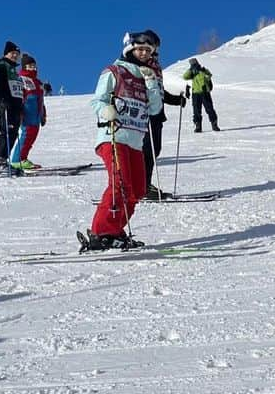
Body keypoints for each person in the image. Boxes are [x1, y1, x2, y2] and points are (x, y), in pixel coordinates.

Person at [82, 32, 164, 251]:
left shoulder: (148, 76)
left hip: (136, 141)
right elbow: (97, 100)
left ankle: (114, 230)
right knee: (120, 185)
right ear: (130, 49)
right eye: (140, 49)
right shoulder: (114, 71)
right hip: (113, 137)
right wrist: (105, 110)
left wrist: (151, 83)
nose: (145, 54)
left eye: (148, 51)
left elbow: (155, 109)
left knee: (137, 189)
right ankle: (100, 232)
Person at [138, 31, 186, 200]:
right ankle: (141, 187)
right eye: (153, 44)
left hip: (157, 113)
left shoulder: (155, 64)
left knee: (154, 149)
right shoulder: (141, 62)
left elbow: (159, 90)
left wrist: (175, 99)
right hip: (145, 112)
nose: (155, 48)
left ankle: (144, 184)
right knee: (147, 149)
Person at [0, 41, 24, 173]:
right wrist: (1, 99)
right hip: (6, 103)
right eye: (12, 53)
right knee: (6, 131)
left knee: (14, 132)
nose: (15, 56)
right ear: (6, 53)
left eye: (17, 54)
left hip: (15, 105)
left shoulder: (13, 69)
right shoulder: (1, 65)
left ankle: (4, 160)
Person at [8, 54, 46, 170]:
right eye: (30, 66)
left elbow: (41, 100)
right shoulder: (21, 79)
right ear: (24, 67)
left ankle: (23, 158)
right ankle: (16, 160)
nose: (33, 68)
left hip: (36, 114)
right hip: (27, 113)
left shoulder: (38, 82)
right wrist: (19, 111)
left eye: (34, 66)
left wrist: (43, 113)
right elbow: (19, 97)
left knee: (32, 137)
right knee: (26, 135)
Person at [183, 58, 219, 132]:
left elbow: (209, 75)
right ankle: (198, 126)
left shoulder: (202, 70)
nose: (194, 65)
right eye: (192, 64)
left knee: (209, 108)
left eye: (194, 63)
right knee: (196, 110)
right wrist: (190, 70)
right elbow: (185, 77)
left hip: (204, 92)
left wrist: (202, 70)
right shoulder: (192, 73)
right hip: (195, 93)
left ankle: (214, 124)